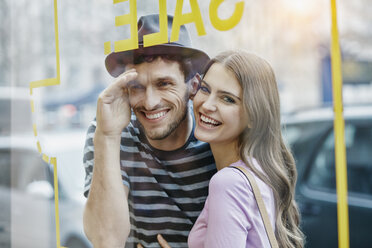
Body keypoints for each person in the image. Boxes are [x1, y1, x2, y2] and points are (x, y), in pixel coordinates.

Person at [82, 15, 216, 248]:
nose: (150, 102)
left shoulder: (214, 135)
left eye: (164, 84)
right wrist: (107, 136)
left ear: (193, 86)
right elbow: (105, 240)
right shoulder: (110, 130)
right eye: (137, 87)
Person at [176, 50, 303, 247]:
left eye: (227, 99)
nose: (207, 105)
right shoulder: (261, 170)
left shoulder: (228, 182)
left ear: (254, 115)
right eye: (205, 89)